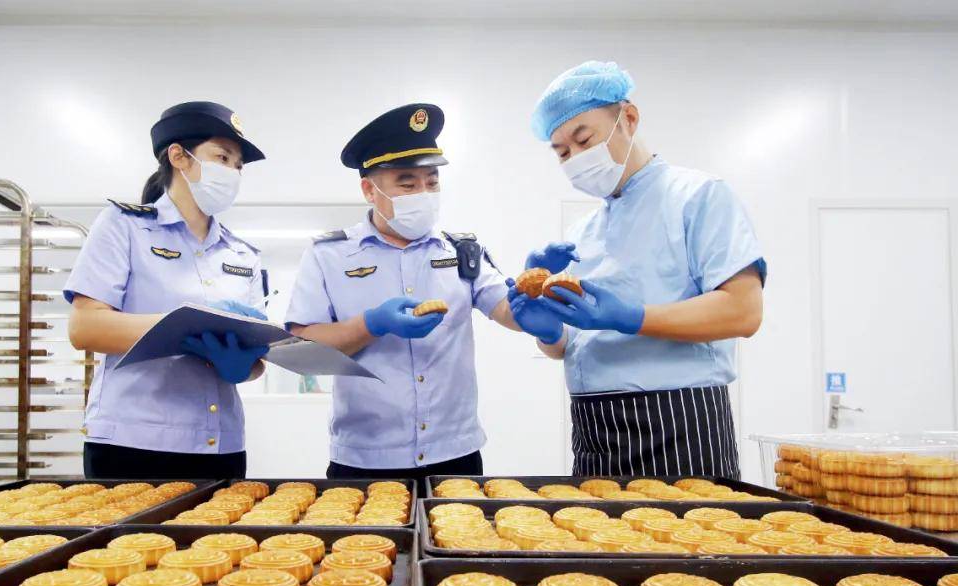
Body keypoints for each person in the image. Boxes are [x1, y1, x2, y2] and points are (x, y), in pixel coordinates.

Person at [510, 61, 766, 480]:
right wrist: (549, 333)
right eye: (562, 152)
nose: (576, 158)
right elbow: (573, 347)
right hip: (594, 428)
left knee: (693, 524)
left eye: (584, 139)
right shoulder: (582, 233)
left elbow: (743, 311)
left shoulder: (698, 197)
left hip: (679, 420)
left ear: (628, 118)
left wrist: (632, 317)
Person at [285, 103, 522, 480]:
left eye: (432, 182)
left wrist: (534, 302)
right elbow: (303, 351)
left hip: (455, 454)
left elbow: (507, 309)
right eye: (408, 184)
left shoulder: (461, 250)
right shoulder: (328, 255)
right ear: (369, 189)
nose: (423, 193)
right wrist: (371, 325)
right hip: (366, 458)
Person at [64, 101, 271, 480]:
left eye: (238, 166)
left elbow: (256, 360)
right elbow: (85, 328)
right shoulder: (124, 227)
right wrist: (188, 326)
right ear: (179, 156)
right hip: (133, 444)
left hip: (220, 446)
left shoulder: (242, 254)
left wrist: (243, 366)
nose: (232, 172)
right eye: (222, 158)